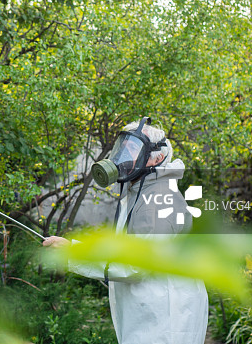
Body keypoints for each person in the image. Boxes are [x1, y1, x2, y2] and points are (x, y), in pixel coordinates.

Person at [43, 118, 208, 344]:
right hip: (152, 311)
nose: (123, 157)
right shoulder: (142, 191)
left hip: (165, 317)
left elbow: (134, 264)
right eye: (123, 148)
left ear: (157, 158)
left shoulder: (156, 202)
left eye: (133, 150)